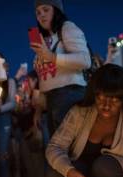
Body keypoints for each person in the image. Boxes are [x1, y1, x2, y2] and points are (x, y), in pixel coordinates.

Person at [31, 0, 91, 136]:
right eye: (38, 12)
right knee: (57, 152)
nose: (41, 15)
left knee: (69, 151)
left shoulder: (67, 28)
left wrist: (51, 56)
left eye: (46, 10)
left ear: (56, 10)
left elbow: (85, 60)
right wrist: (39, 109)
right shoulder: (44, 39)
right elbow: (44, 77)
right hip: (50, 101)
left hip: (69, 95)